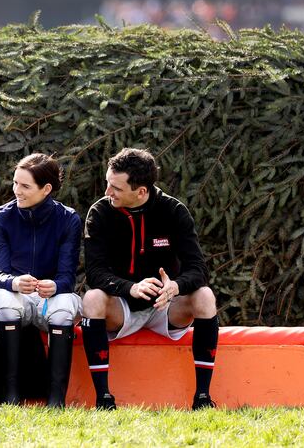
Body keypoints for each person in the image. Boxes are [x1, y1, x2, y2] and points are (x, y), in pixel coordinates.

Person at [81, 148, 218, 410]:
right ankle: (103, 399)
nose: (108, 191)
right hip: (121, 307)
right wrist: (130, 288)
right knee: (92, 298)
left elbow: (198, 269)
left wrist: (176, 286)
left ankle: (202, 397)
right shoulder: (99, 212)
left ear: (141, 191)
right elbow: (95, 273)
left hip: (166, 308)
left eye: (115, 187)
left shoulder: (174, 210)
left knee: (205, 295)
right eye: (108, 183)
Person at [0, 153, 82, 407]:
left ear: (46, 189)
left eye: (25, 186)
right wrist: (15, 283)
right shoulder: (0, 217)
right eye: (15, 183)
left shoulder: (69, 219)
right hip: (16, 296)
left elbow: (67, 276)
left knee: (64, 306)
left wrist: (55, 286)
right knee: (4, 299)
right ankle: (11, 395)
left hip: (50, 299)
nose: (16, 190)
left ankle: (56, 399)